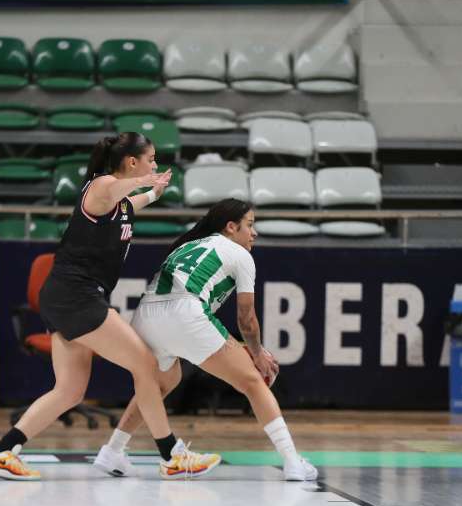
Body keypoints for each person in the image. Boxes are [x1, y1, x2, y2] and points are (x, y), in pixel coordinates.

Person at [0, 132, 220, 481]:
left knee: (69, 391)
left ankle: (2, 451)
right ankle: (171, 455)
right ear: (132, 161)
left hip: (65, 297)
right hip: (78, 296)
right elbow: (116, 189)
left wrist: (154, 191)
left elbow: (132, 203)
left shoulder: (120, 203)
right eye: (150, 158)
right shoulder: (102, 186)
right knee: (146, 365)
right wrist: (143, 180)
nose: (155, 163)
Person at [91, 199, 318, 481]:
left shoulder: (187, 245)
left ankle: (113, 450)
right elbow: (246, 318)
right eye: (250, 225)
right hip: (185, 313)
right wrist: (257, 354)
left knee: (161, 383)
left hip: (145, 315)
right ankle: (292, 461)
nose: (254, 233)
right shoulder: (240, 254)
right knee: (252, 381)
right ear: (231, 227)